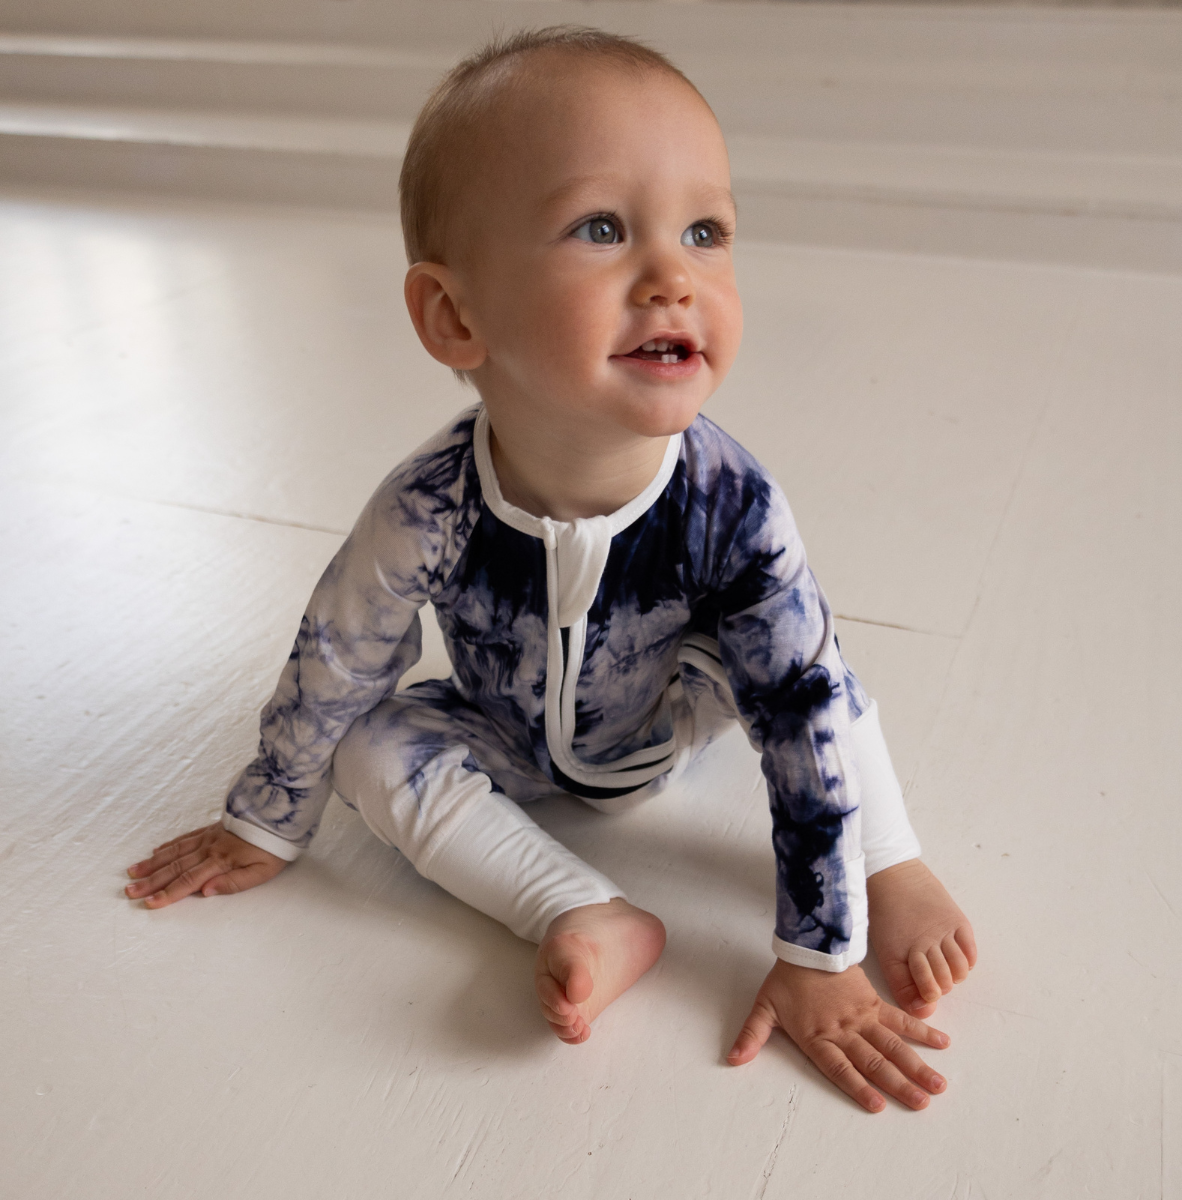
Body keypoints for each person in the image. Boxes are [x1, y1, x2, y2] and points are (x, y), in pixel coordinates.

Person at [125, 27, 976, 1114]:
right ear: (456, 316)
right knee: (367, 746)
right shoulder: (428, 506)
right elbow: (337, 657)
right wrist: (267, 818)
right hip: (510, 735)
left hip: (682, 706)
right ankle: (580, 910)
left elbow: (800, 721)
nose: (673, 276)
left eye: (705, 231)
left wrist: (821, 953)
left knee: (814, 681)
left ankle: (892, 858)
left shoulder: (734, 506)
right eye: (602, 229)